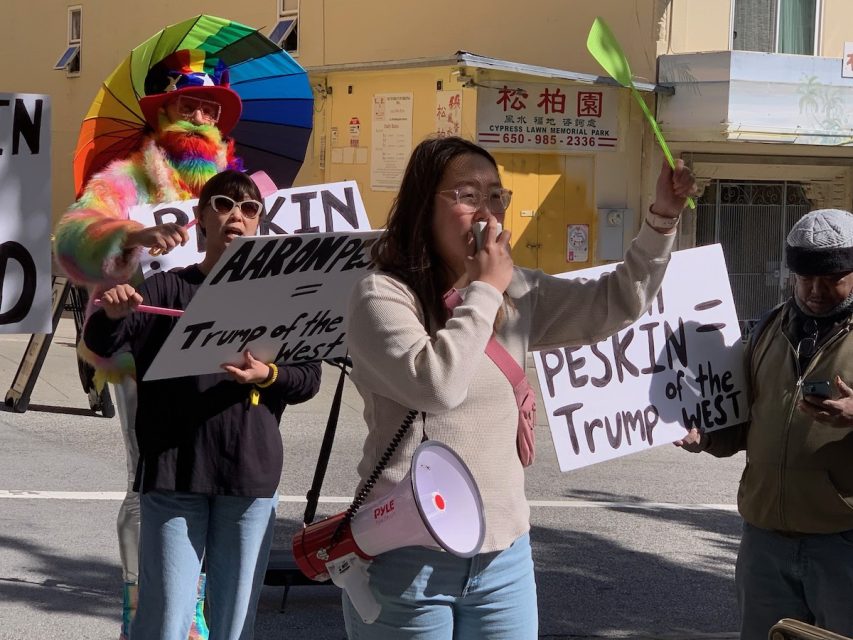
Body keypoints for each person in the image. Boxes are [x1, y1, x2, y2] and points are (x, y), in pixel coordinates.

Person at [343, 136, 696, 639]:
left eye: (496, 196)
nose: (487, 214)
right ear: (424, 208)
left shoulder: (516, 292)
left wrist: (662, 217)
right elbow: (437, 384)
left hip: (502, 558)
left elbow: (617, 301)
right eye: (467, 195)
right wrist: (483, 288)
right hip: (407, 555)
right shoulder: (381, 295)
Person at [53, 49, 247, 639]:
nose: (201, 116)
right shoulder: (128, 177)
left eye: (210, 108)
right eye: (188, 105)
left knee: (223, 482)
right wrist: (134, 233)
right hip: (146, 349)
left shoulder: (238, 187)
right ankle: (148, 613)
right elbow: (73, 239)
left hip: (226, 347)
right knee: (150, 478)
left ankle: (199, 610)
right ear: (164, 113)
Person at [83, 169, 322, 639]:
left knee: (234, 625)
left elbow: (308, 378)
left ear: (259, 225)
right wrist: (110, 312)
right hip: (174, 474)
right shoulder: (166, 289)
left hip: (250, 479)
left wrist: (267, 374)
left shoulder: (281, 296)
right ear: (201, 219)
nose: (236, 214)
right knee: (166, 622)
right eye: (223, 205)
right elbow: (104, 341)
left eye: (249, 208)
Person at [676, 208, 853, 640]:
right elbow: (742, 421)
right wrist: (707, 435)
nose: (815, 290)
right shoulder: (766, 330)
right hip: (764, 542)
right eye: (804, 277)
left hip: (843, 542)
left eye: (832, 278)